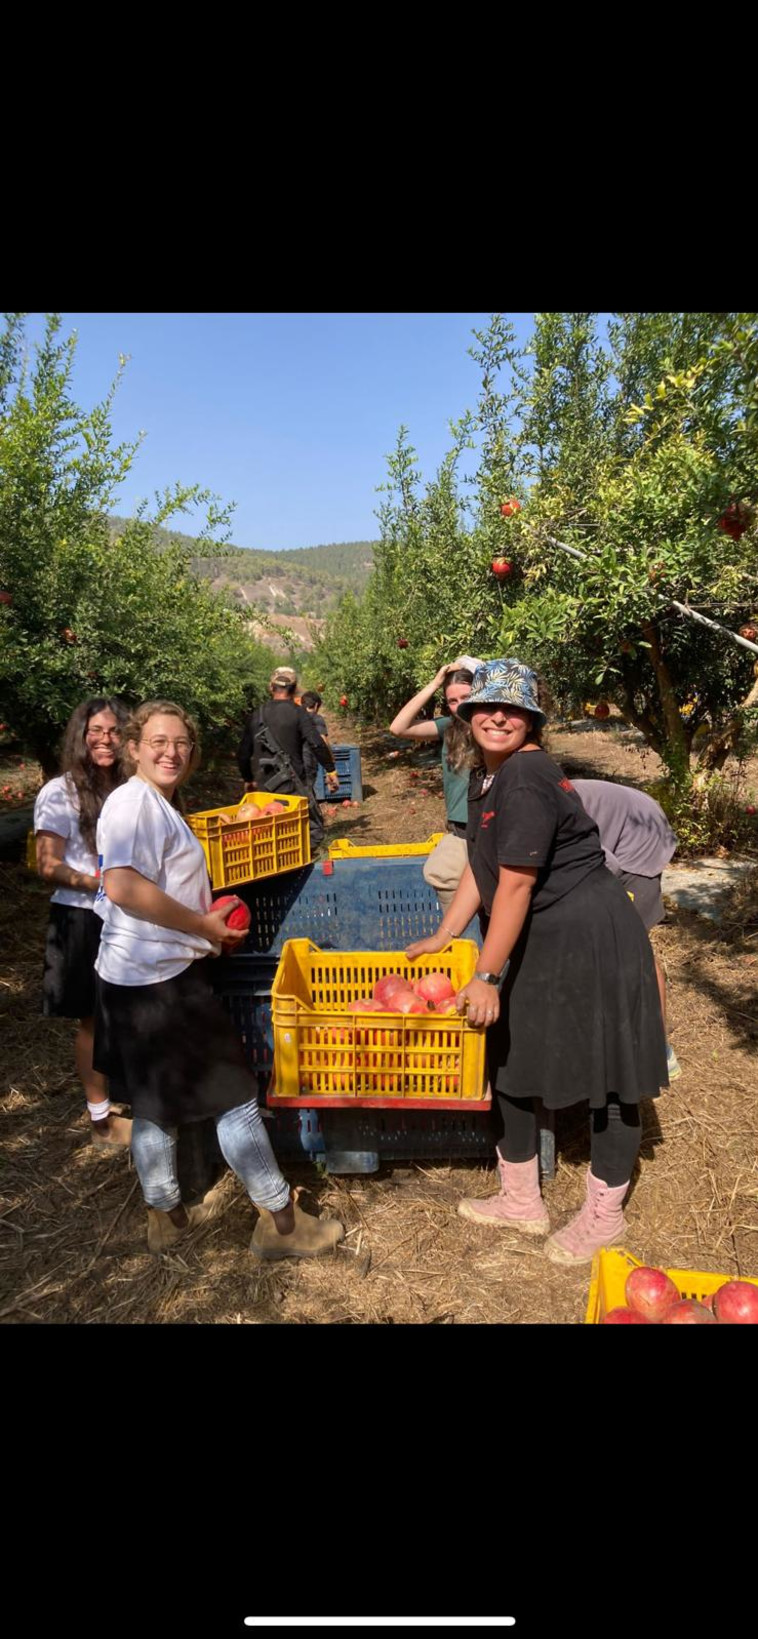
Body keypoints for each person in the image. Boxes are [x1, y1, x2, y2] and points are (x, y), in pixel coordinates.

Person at [406, 659, 668, 1267]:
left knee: (610, 1074)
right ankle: (521, 1198)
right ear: (468, 718)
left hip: (589, 934)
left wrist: (488, 975)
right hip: (542, 935)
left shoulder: (525, 775)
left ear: (532, 721)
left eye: (514, 709)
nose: (498, 717)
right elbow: (482, 861)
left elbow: (518, 885)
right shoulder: (484, 775)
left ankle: (605, 1217)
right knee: (512, 1054)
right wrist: (446, 934)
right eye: (487, 707)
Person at [93, 698, 344, 1258]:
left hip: (137, 977)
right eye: (158, 741)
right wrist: (201, 923)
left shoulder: (153, 803)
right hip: (159, 984)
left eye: (181, 742)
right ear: (133, 747)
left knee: (156, 1104)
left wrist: (201, 925)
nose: (172, 752)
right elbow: (122, 886)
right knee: (235, 1098)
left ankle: (168, 1218)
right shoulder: (133, 806)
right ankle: (282, 1226)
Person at [33, 697, 131, 1150]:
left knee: (127, 1008)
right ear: (81, 735)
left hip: (126, 912)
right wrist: (97, 883)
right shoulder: (61, 792)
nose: (105, 739)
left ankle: (128, 1096)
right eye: (96, 730)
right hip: (82, 915)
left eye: (113, 731)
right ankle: (101, 1120)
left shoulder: (129, 789)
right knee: (92, 1019)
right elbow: (47, 864)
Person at [571, 779, 680, 1080]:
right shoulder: (522, 802)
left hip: (639, 839)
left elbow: (605, 865)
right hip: (616, 827)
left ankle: (659, 1050)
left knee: (632, 947)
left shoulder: (559, 817)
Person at [389, 657, 482, 913]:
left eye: (466, 696)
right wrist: (435, 683)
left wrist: (484, 673)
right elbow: (398, 727)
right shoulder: (448, 728)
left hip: (489, 826)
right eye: (452, 701)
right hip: (460, 830)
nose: (459, 706)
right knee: (445, 878)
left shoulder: (493, 726)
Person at [236, 667, 339, 851]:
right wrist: (331, 769)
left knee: (265, 838)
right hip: (292, 788)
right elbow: (316, 743)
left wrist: (248, 779)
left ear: (271, 687)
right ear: (295, 689)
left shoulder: (257, 714)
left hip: (263, 790)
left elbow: (243, 752)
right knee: (308, 835)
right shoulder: (298, 713)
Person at [300, 690, 333, 792]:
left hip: (293, 763)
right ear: (316, 705)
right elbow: (322, 741)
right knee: (307, 792)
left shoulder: (295, 717)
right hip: (309, 762)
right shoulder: (317, 719)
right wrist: (331, 761)